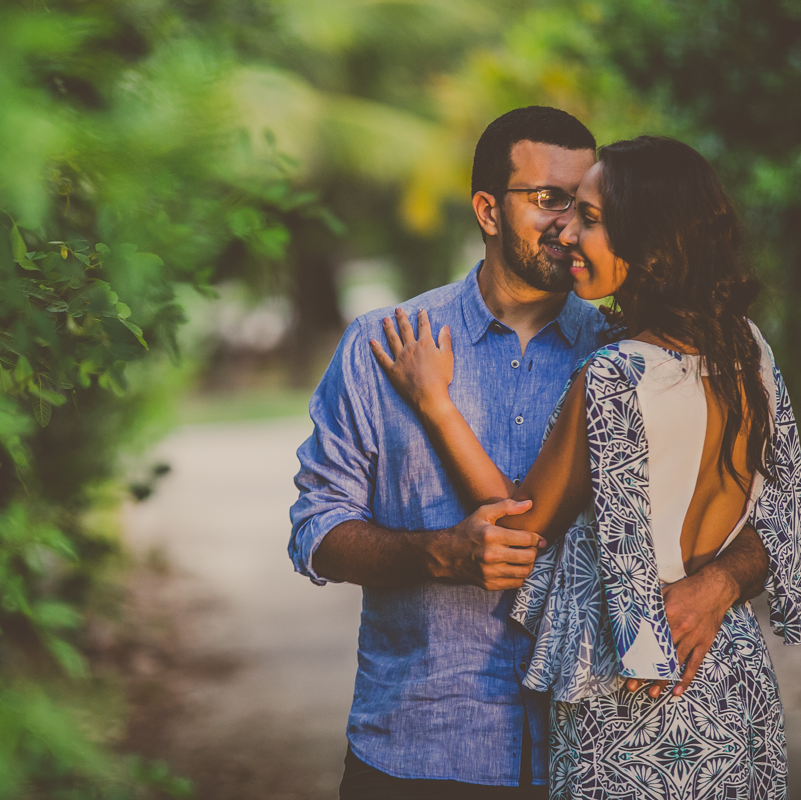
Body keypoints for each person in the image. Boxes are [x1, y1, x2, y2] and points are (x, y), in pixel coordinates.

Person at [289, 107, 771, 799]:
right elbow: (316, 530)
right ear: (488, 209)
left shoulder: (638, 353)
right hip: (420, 744)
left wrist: (719, 582)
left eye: (583, 205)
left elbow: (765, 515)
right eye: (547, 200)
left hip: (592, 745)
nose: (566, 225)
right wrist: (436, 554)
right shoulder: (380, 346)